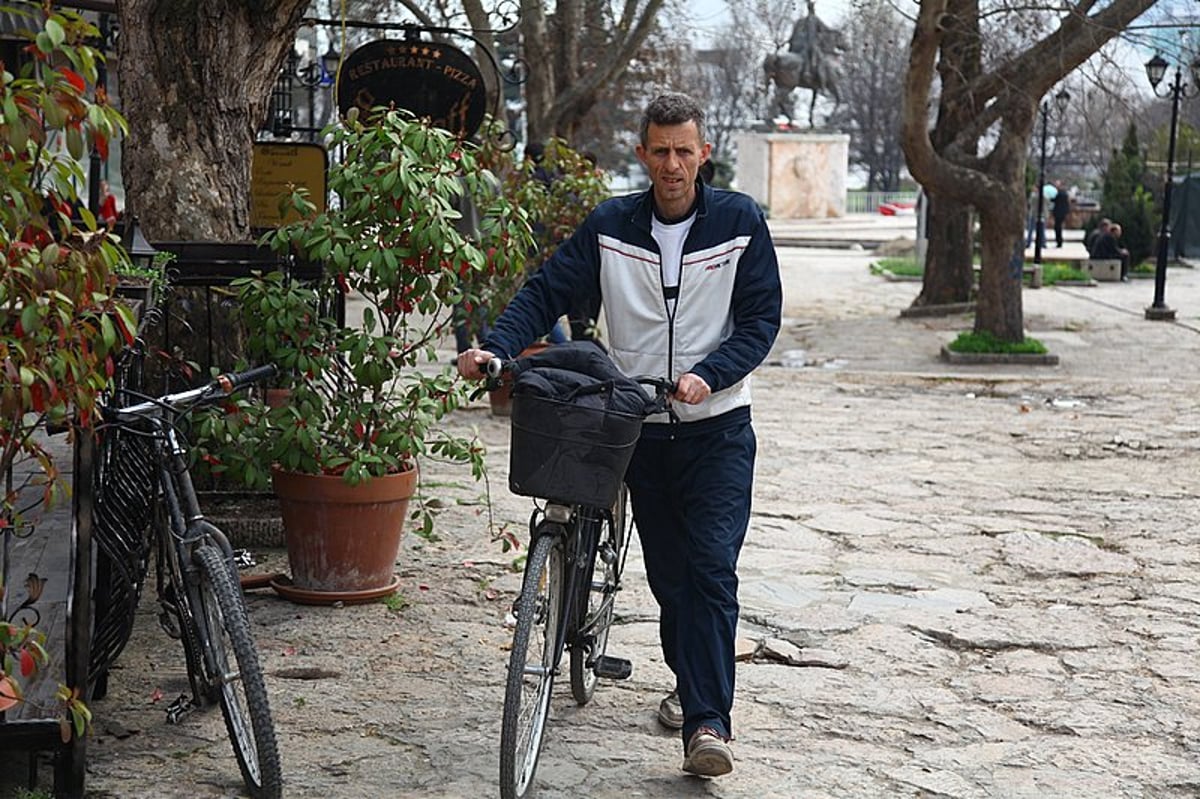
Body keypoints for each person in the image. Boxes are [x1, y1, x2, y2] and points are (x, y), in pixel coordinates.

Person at [459, 92, 782, 778]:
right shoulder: (610, 226)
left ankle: (706, 723)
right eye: (660, 150)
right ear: (642, 155)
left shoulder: (739, 223)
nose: (672, 164)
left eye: (684, 151)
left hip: (717, 427)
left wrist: (710, 372)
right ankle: (693, 685)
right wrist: (497, 347)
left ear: (704, 154)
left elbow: (760, 319)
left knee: (711, 567)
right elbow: (547, 291)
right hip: (635, 428)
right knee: (671, 577)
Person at [1051, 180, 1070, 248]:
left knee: (1057, 227)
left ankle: (1059, 241)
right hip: (1062, 213)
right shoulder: (1065, 193)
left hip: (1058, 213)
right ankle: (1059, 241)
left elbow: (1053, 199)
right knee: (1058, 227)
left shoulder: (1058, 193)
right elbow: (1067, 204)